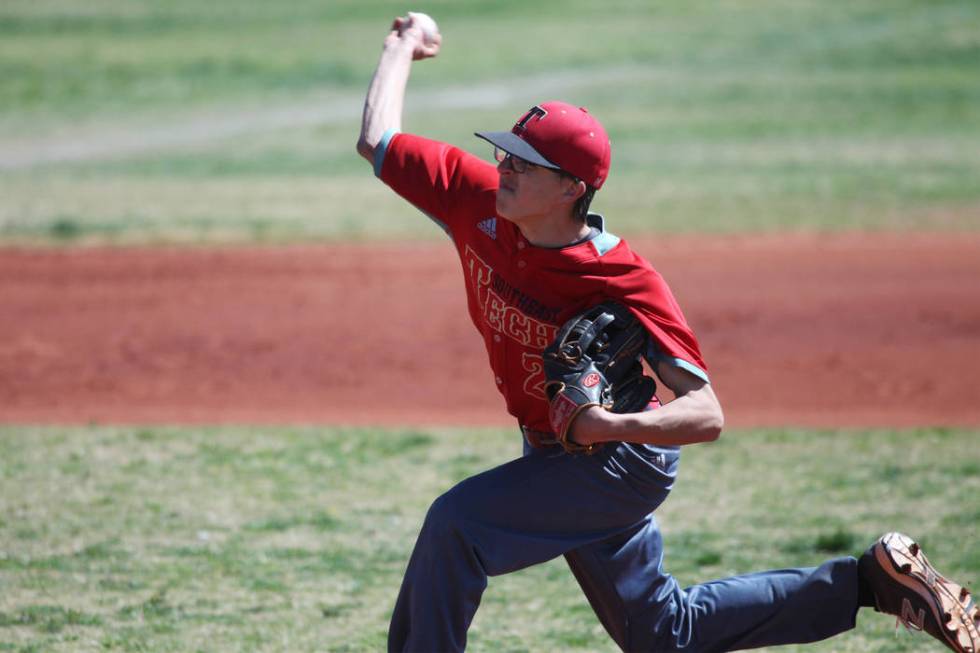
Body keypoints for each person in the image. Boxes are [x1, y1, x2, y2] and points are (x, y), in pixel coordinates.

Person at [355, 14, 979, 653]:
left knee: (456, 525)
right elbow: (377, 139)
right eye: (506, 153)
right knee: (661, 634)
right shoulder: (477, 200)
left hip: (620, 462)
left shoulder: (621, 277)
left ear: (572, 187)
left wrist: (607, 428)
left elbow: (706, 414)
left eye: (526, 163)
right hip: (557, 452)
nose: (505, 168)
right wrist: (400, 45)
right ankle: (870, 585)